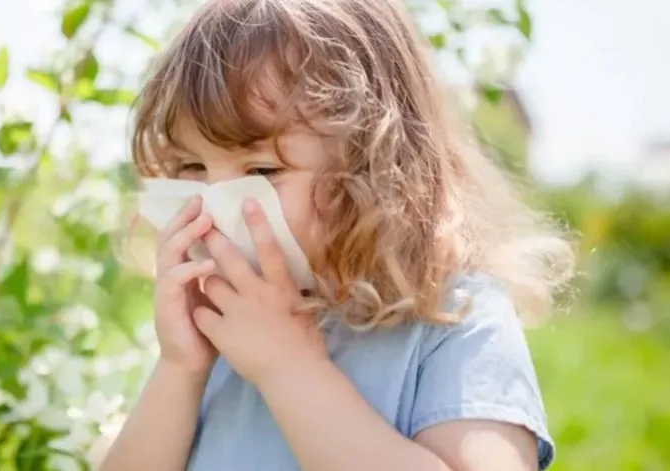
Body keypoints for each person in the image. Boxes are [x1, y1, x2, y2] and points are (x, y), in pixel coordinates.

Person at [97, 0, 575, 470]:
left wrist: (289, 367)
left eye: (263, 170)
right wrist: (180, 369)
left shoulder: (453, 316)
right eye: (190, 168)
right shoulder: (218, 328)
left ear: (376, 166)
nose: (213, 207)